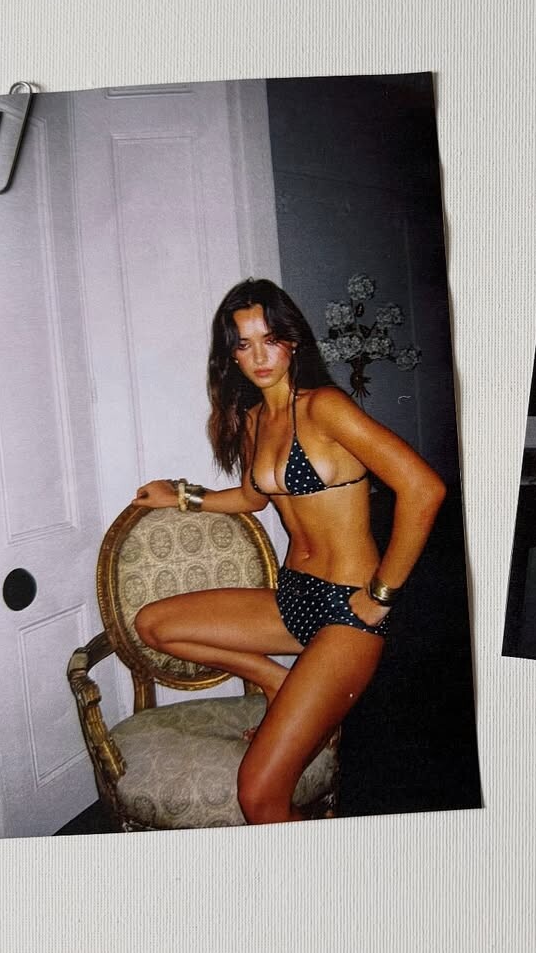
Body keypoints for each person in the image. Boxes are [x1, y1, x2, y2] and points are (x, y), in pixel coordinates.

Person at [134, 277, 446, 821]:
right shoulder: (254, 420)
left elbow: (424, 488)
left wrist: (381, 595)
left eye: (270, 339)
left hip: (349, 611)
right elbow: (253, 497)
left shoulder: (325, 408)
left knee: (259, 794)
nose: (259, 357)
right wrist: (182, 496)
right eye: (243, 344)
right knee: (153, 625)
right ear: (230, 355)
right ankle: (276, 680)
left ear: (293, 341)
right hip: (294, 597)